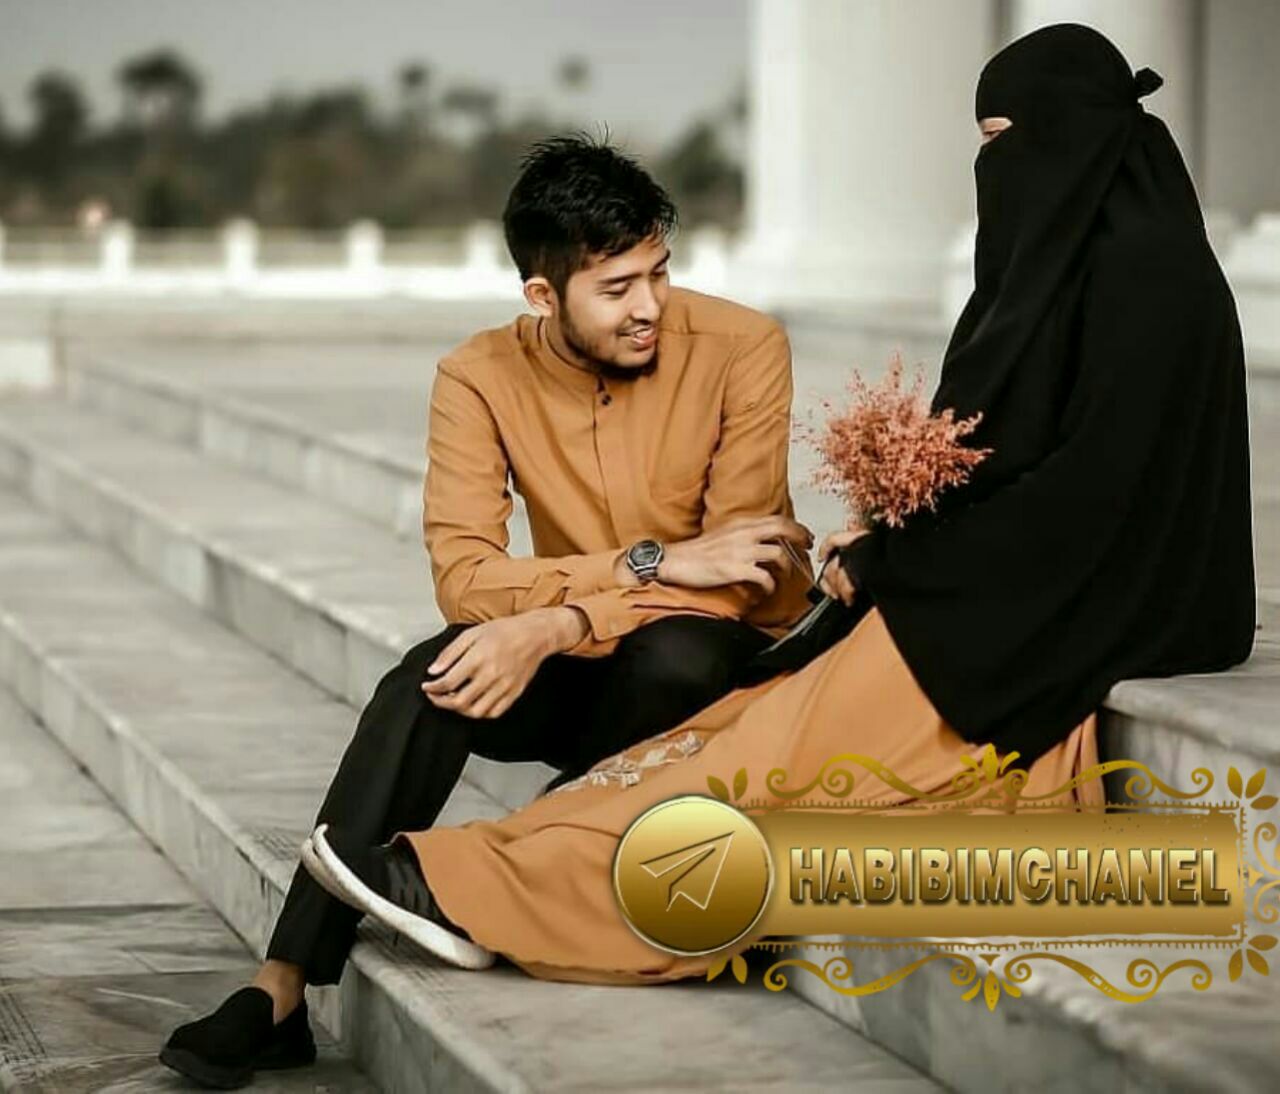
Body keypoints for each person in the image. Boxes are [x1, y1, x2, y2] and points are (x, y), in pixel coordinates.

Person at [300, 22, 1255, 990]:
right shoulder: (1075, 277)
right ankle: (424, 905)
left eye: (1003, 143)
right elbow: (1020, 467)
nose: (994, 174)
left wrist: (900, 557)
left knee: (771, 756)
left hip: (1041, 606)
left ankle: (497, 889)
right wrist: (897, 534)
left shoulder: (1153, 288)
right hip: (993, 594)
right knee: (737, 734)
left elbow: (1089, 502)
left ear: (1074, 135)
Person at [159, 136, 814, 1087]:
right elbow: (467, 579)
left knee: (679, 649)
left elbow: (739, 576)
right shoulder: (477, 376)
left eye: (659, 272)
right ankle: (282, 988)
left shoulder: (744, 347)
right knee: (434, 675)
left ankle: (512, 874)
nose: (649, 306)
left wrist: (559, 621)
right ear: (542, 295)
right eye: (616, 288)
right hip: (596, 675)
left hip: (713, 681)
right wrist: (646, 564)